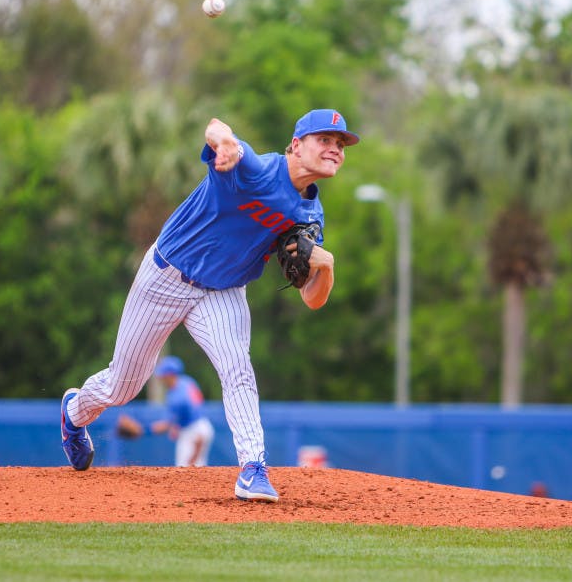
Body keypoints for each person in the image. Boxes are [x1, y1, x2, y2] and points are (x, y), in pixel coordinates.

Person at [61, 108, 359, 503]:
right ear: (295, 144)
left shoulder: (310, 213)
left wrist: (327, 264)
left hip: (224, 291)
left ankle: (253, 468)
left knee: (238, 370)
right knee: (123, 385)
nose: (335, 149)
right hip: (166, 275)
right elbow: (216, 127)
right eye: (324, 140)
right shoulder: (255, 168)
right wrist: (226, 145)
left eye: (340, 144)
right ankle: (75, 412)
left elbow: (312, 299)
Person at [147, 355, 215, 467]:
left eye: (163, 375)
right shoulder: (188, 381)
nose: (161, 378)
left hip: (193, 433)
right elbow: (194, 407)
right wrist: (178, 425)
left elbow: (165, 425)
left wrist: (144, 430)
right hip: (202, 426)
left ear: (169, 375)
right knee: (194, 469)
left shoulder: (176, 396)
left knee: (185, 470)